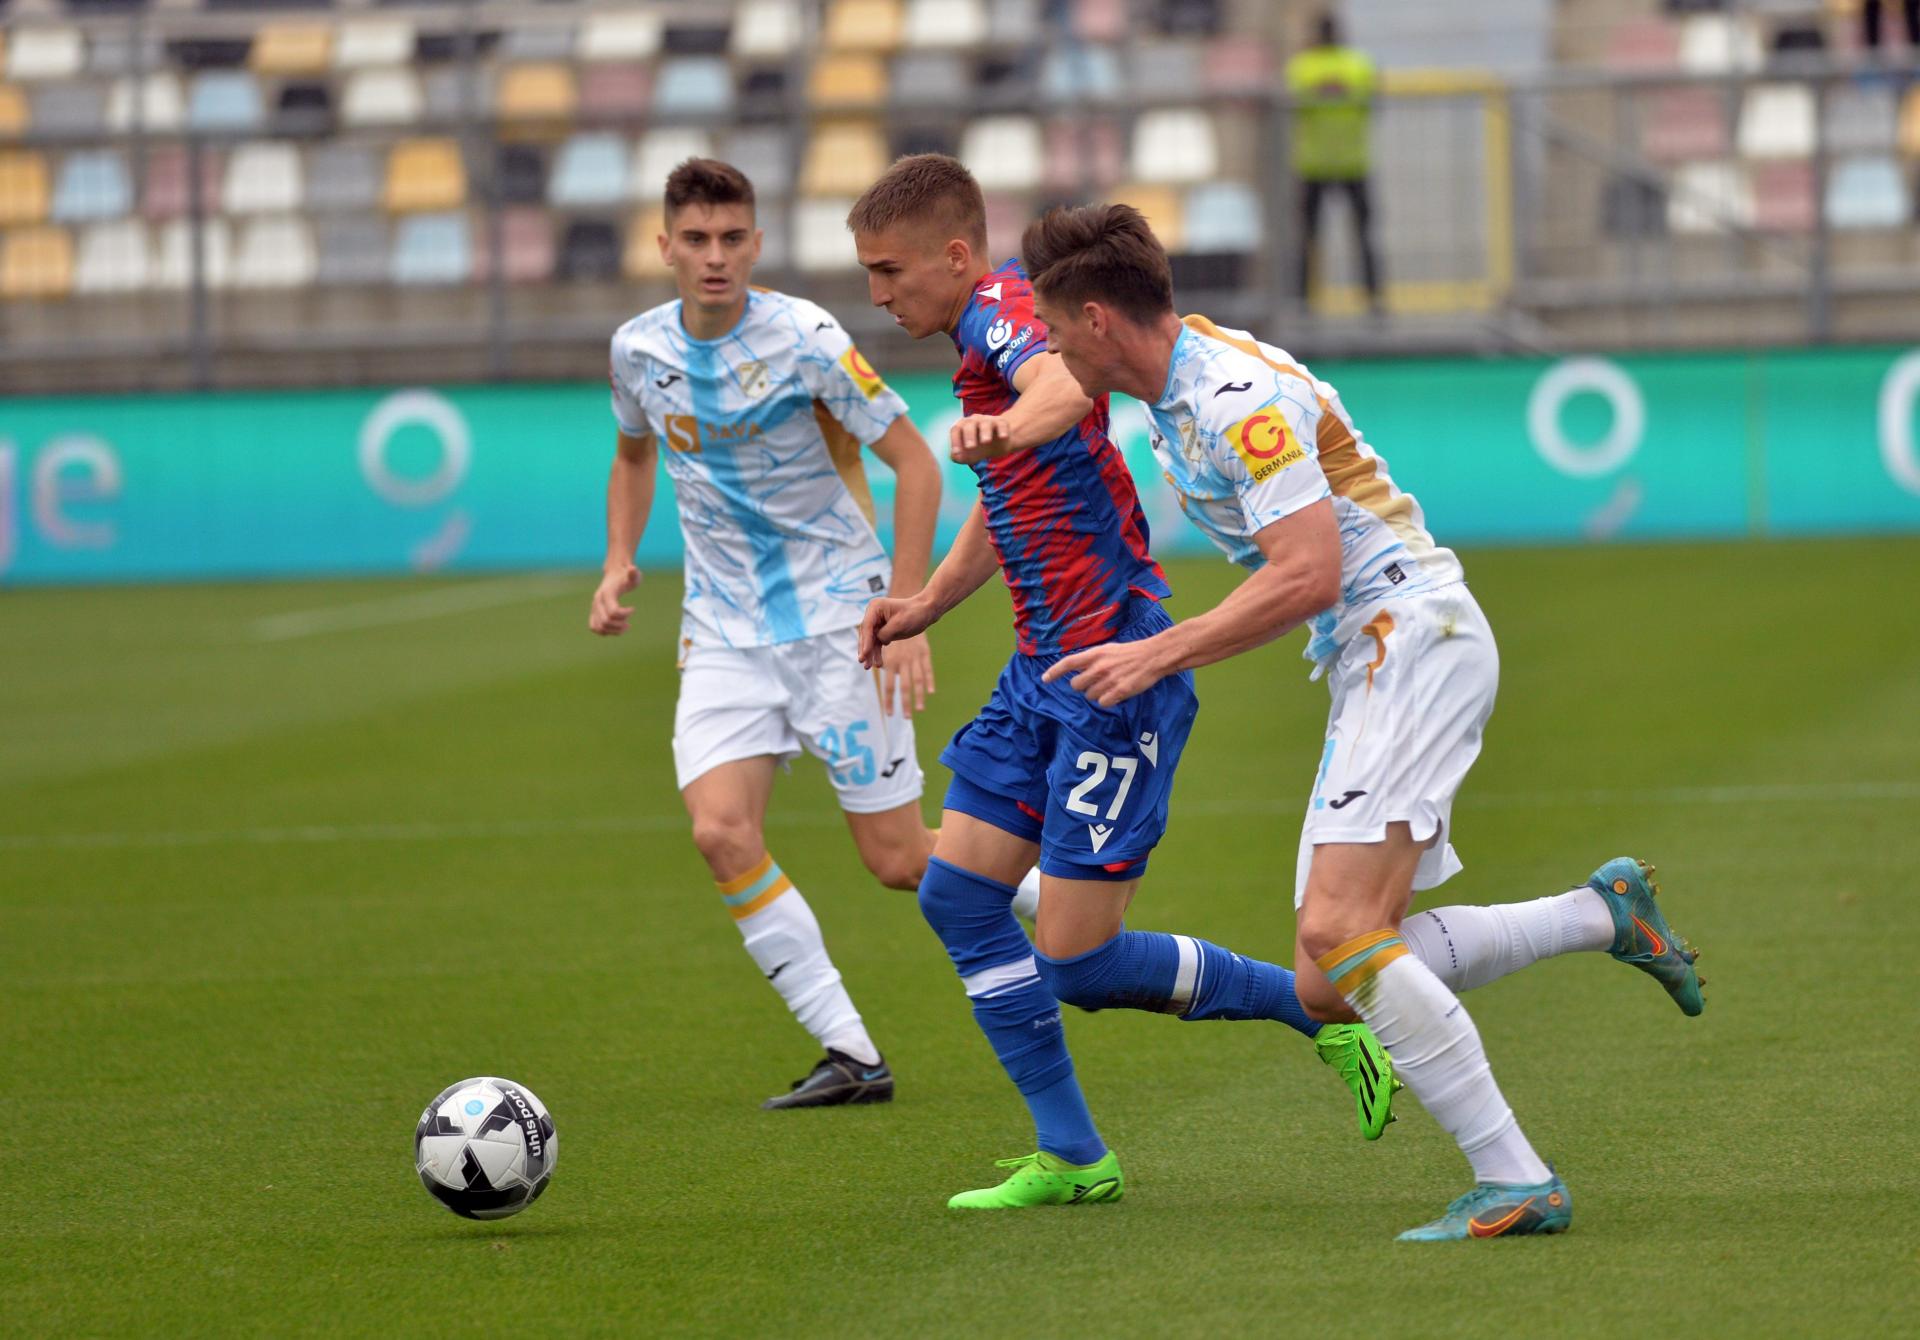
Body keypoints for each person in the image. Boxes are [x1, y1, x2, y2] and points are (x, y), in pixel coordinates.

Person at [1018, 201, 1708, 1240]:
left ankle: (1517, 1176)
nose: (1051, 345)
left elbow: (1308, 572)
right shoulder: (1170, 376)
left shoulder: (1234, 399)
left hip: (1408, 632)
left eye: (1056, 325)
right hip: (1378, 646)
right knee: (1328, 977)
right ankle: (1600, 913)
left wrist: (1157, 649)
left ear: (1100, 317)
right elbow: (1052, 401)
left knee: (1342, 935)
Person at [847, 154, 1399, 1210]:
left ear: (954, 258)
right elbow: (1004, 491)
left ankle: (1314, 1012)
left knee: (1079, 963)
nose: (879, 294)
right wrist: (926, 600)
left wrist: (1010, 422)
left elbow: (1053, 390)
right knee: (958, 892)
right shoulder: (985, 337)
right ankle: (1072, 1154)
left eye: (888, 270)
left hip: (1115, 668)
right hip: (1040, 663)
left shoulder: (1012, 318)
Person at [591, 158, 1037, 1111]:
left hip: (841, 620)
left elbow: (916, 467)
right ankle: (851, 1052)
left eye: (733, 238)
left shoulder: (809, 340)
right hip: (721, 633)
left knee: (899, 862)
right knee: (720, 832)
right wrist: (619, 557)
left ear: (756, 242)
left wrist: (908, 607)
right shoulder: (636, 350)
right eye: (697, 239)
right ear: (665, 245)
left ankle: (1067, 899)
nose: (716, 257)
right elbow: (634, 457)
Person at [1286, 11, 1383, 313]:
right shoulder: (1358, 65)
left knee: (1309, 239)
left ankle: (1303, 302)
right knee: (1362, 236)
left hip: (1316, 163)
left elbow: (1293, 108)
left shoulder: (1302, 68)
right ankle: (1374, 301)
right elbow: (1372, 105)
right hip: (1351, 161)